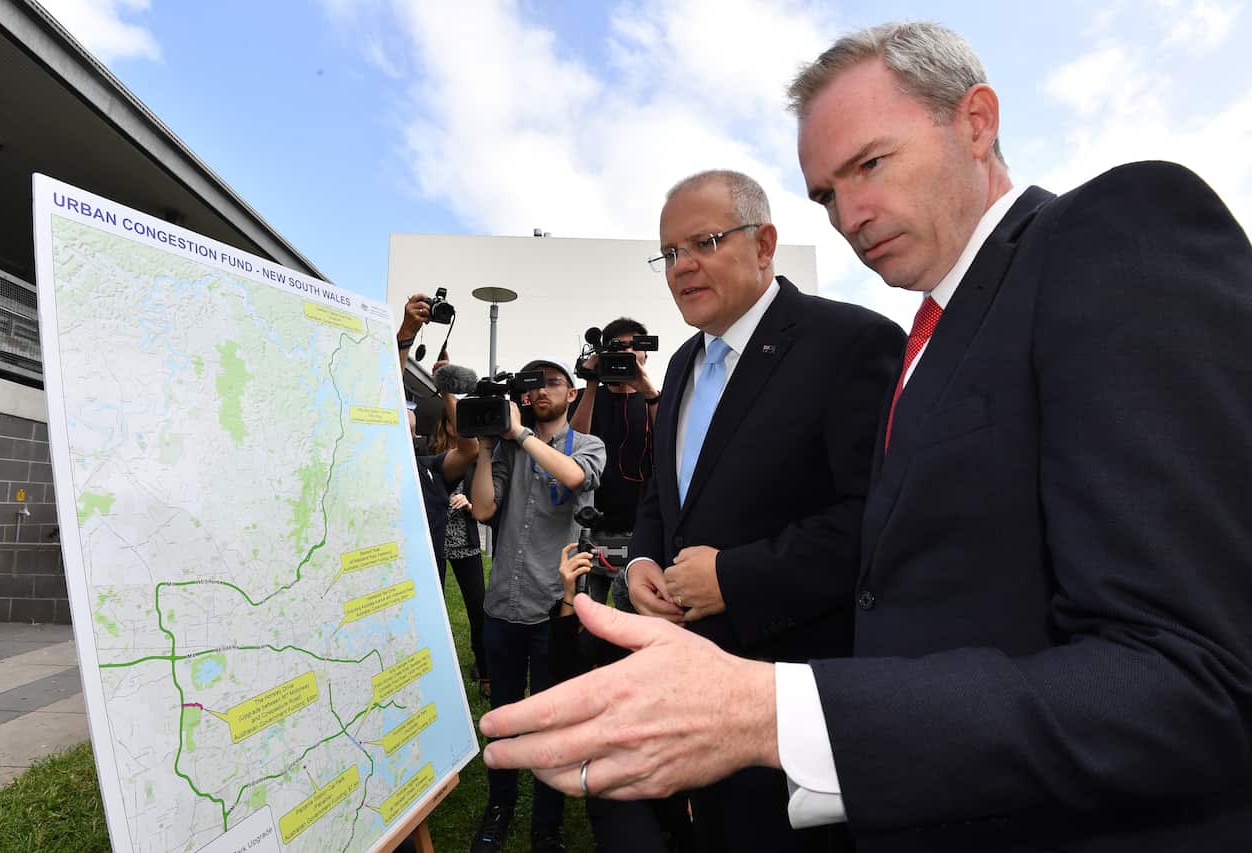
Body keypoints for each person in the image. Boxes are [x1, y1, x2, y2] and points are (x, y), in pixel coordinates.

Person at [475, 20, 1252, 853]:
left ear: (977, 121)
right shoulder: (935, 331)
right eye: (825, 194)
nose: (849, 214)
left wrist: (773, 714)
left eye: (870, 164)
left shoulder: (1114, 234)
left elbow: (1197, 677)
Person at [623, 169, 904, 852]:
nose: (682, 266)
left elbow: (879, 519)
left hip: (797, 703)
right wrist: (640, 557)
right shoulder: (686, 362)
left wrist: (736, 577)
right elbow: (667, 495)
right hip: (691, 683)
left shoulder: (852, 343)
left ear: (765, 243)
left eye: (705, 241)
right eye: (669, 252)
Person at [469, 357, 606, 853]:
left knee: (552, 717)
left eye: (553, 383)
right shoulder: (507, 449)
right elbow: (484, 509)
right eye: (535, 385)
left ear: (571, 394)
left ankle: (545, 826)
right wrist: (486, 450)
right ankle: (499, 806)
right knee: (504, 713)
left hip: (555, 609)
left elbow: (572, 478)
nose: (542, 390)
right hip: (502, 603)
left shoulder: (588, 445)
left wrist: (521, 435)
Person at [549, 544, 695, 853]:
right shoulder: (611, 638)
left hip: (686, 771)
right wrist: (568, 598)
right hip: (620, 772)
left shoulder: (698, 643)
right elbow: (563, 677)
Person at [569, 317, 661, 607]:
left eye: (634, 347)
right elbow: (573, 443)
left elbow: (670, 443)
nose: (626, 353)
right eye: (618, 347)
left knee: (637, 613)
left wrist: (648, 392)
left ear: (645, 354)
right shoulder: (587, 397)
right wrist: (593, 383)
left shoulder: (657, 399)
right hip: (591, 524)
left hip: (641, 526)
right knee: (586, 610)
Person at [396, 296, 479, 573]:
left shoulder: (428, 467)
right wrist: (406, 334)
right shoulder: (387, 465)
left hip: (430, 579)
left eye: (409, 404)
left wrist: (446, 389)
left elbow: (469, 450)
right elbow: (383, 390)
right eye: (401, 403)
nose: (407, 407)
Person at [429, 407, 489, 698]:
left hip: (465, 542)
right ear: (447, 425)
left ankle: (484, 664)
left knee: (478, 607)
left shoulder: (474, 458)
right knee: (433, 610)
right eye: (454, 420)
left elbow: (485, 502)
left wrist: (469, 503)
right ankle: (436, 668)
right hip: (435, 545)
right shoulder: (430, 457)